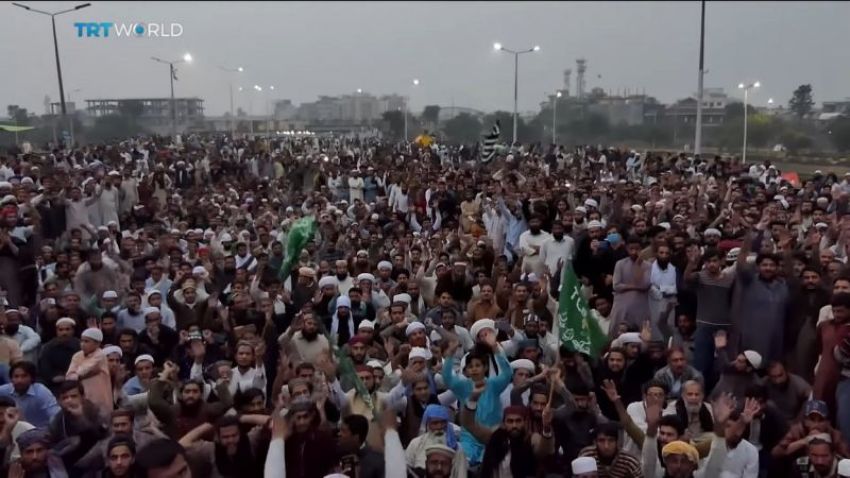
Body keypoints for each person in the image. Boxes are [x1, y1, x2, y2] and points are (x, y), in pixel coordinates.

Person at [0, 362, 60, 429]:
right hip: (13, 430)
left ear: (32, 378)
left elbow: (56, 415)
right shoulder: (4, 390)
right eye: (16, 376)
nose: (19, 380)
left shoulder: (41, 392)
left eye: (24, 376)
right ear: (11, 379)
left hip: (40, 432)